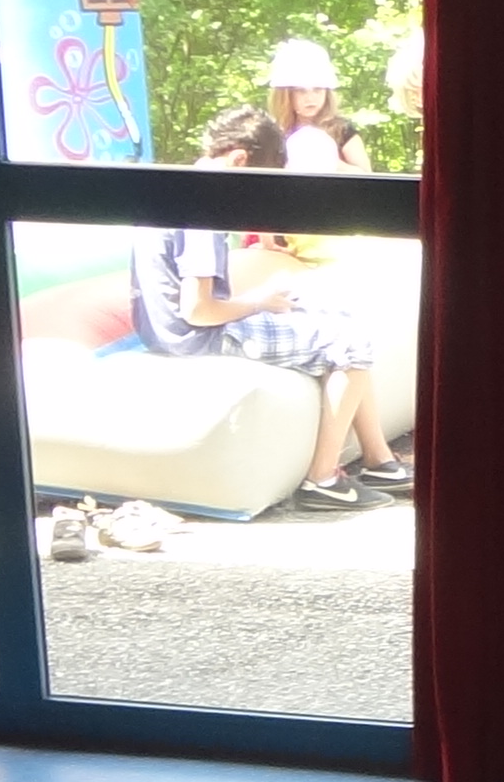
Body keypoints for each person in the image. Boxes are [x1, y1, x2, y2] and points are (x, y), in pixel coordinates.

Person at [131, 106, 407, 506]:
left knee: (336, 316)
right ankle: (323, 479)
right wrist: (258, 302)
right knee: (351, 342)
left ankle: (379, 460)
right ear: (239, 160)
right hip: (197, 338)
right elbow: (198, 311)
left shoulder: (174, 187)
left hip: (164, 332)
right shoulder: (203, 208)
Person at [264, 37, 360, 173]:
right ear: (285, 95)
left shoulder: (341, 130)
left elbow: (367, 177)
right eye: (301, 91)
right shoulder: (273, 133)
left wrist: (329, 161)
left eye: (318, 90)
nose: (310, 98)